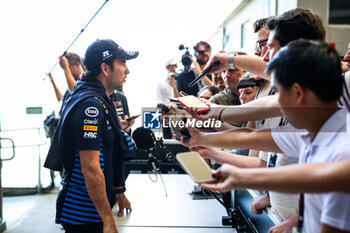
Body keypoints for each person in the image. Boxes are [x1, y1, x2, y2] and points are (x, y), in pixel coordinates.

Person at [185, 41, 350, 233]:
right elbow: (253, 139)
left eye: (279, 95)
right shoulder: (310, 134)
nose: (274, 105)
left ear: (298, 93)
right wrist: (204, 143)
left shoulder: (341, 153)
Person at [44, 39, 139, 233]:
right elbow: (90, 168)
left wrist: (119, 193)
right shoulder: (91, 106)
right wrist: (108, 220)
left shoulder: (99, 98)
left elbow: (109, 151)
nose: (127, 70)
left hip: (94, 209)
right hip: (83, 215)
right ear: (105, 68)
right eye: (122, 63)